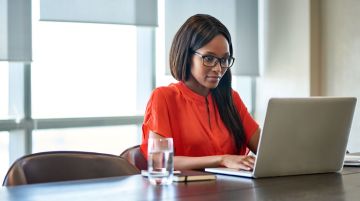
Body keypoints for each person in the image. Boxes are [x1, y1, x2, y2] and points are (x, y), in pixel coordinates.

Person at [140, 14, 260, 171]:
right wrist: (222, 160)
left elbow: (267, 149)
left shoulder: (231, 98)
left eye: (224, 60)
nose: (218, 69)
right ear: (187, 55)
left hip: (233, 191)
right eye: (209, 58)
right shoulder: (163, 97)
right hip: (186, 192)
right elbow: (160, 161)